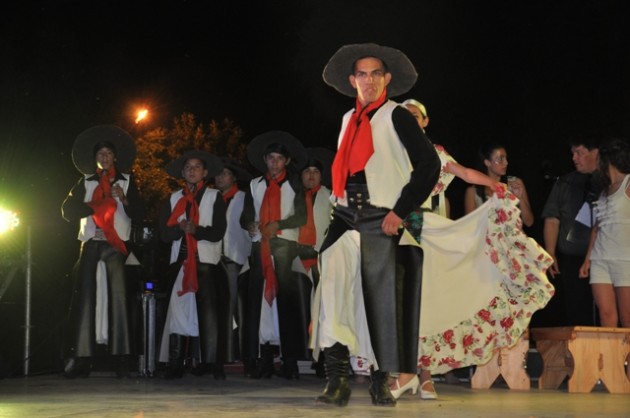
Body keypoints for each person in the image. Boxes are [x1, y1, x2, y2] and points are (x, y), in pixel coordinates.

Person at [311, 43, 441, 407]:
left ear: (386, 79)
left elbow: (429, 165)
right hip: (344, 215)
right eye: (362, 75)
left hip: (380, 215)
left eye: (375, 74)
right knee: (332, 295)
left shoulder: (397, 116)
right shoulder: (346, 121)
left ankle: (381, 380)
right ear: (353, 81)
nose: (368, 81)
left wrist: (400, 211)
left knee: (381, 302)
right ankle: (336, 380)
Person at [387, 99, 502, 400]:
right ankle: (403, 371)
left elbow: (464, 173)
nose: (410, 120)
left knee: (428, 304)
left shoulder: (436, 154)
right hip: (398, 231)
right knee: (402, 303)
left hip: (430, 234)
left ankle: (425, 376)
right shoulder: (392, 153)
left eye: (415, 116)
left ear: (425, 122)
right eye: (404, 117)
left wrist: (496, 186)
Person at [61, 125, 143, 378]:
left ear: (115, 157)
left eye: (108, 153)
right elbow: (67, 211)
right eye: (101, 154)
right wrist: (92, 205)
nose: (104, 157)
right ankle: (81, 358)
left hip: (116, 245)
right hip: (91, 244)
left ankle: (122, 359)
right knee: (84, 300)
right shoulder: (84, 181)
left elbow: (140, 213)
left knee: (119, 299)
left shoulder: (127, 181)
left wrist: (125, 199)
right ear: (95, 158)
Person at [240, 131, 308, 380]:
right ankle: (265, 359)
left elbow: (301, 217)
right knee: (261, 304)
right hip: (260, 245)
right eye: (271, 158)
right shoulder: (254, 184)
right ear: (265, 160)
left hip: (285, 245)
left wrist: (276, 224)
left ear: (287, 161)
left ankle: (289, 362)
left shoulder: (295, 184)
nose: (275, 163)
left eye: (280, 158)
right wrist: (250, 225)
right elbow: (245, 215)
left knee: (286, 303)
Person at [157, 150, 230, 379]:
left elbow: (219, 231)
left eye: (197, 167)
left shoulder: (214, 197)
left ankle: (212, 363)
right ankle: (175, 363)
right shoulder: (172, 198)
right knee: (178, 313)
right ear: (182, 172)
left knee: (208, 315)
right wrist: (179, 230)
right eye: (188, 167)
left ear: (205, 172)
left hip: (206, 262)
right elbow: (163, 234)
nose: (192, 170)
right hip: (180, 263)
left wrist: (196, 231)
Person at [541, 136, 600, 325]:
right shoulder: (564, 182)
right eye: (572, 153)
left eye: (579, 153)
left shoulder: (611, 182)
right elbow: (552, 219)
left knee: (604, 315)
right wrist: (550, 253)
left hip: (605, 260)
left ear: (595, 152)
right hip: (572, 263)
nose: (574, 158)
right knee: (577, 315)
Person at [579, 138, 630, 328]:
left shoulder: (628, 183)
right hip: (601, 259)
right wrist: (587, 259)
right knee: (606, 316)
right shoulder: (604, 190)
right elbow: (597, 227)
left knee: (627, 318)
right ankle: (611, 358)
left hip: (625, 259)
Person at [214, 159, 252, 364]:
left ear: (234, 177)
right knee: (216, 308)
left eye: (225, 173)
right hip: (212, 259)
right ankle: (217, 354)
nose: (220, 177)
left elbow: (249, 227)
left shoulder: (243, 198)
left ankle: (235, 353)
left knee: (233, 308)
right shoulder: (211, 198)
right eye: (218, 174)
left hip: (234, 259)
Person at [464, 142, 534, 227]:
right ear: (487, 162)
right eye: (501, 159)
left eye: (506, 158)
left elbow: (529, 222)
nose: (506, 163)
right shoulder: (473, 191)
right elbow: (469, 227)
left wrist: (520, 198)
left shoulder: (515, 183)